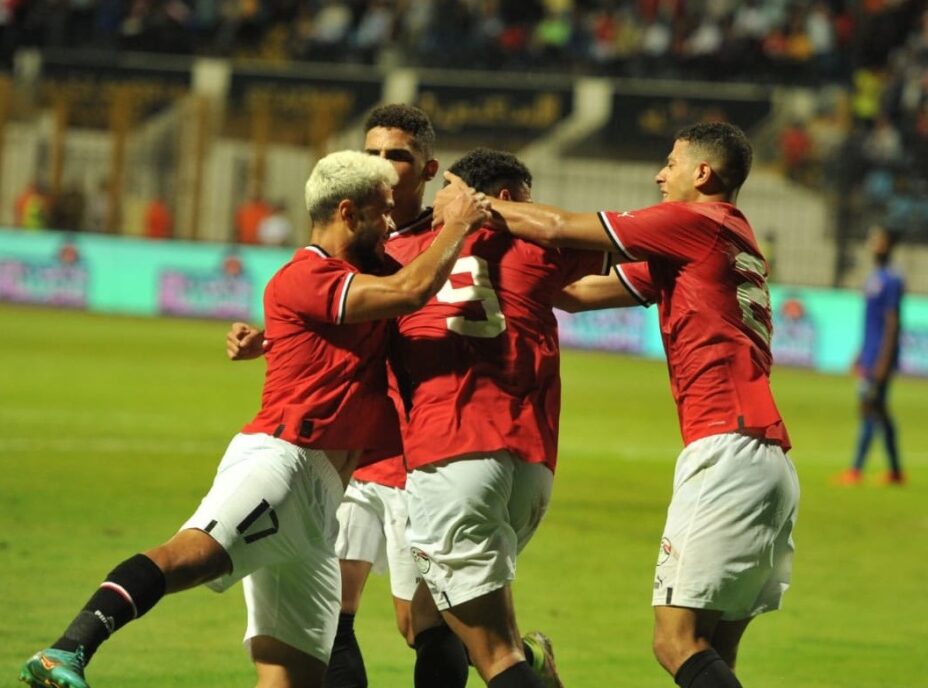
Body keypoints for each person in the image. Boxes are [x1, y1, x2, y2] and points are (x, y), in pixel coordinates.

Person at [19, 150, 491, 688]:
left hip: (322, 504)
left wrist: (270, 340)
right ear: (348, 212)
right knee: (190, 556)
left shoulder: (369, 271)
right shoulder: (306, 273)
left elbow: (398, 290)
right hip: (281, 465)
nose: (391, 222)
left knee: (292, 675)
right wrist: (459, 223)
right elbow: (411, 289)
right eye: (382, 211)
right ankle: (65, 650)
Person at [440, 122, 800, 688]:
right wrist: (503, 271)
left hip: (727, 447)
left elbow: (559, 227)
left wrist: (473, 207)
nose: (660, 175)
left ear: (703, 173)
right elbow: (574, 295)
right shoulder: (719, 239)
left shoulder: (695, 222)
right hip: (768, 461)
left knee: (675, 642)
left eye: (671, 163)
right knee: (713, 652)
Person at [228, 108, 565, 688]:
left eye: (397, 156)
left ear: (429, 170)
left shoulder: (449, 236)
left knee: (426, 626)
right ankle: (518, 660)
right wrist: (272, 339)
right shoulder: (356, 238)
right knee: (331, 609)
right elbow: (329, 308)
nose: (382, 165)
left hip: (425, 453)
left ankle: (523, 661)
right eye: (373, 153)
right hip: (356, 454)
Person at [394, 147, 608, 688]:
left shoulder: (405, 256)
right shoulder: (541, 248)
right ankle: (533, 664)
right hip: (531, 467)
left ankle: (525, 667)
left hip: (453, 455)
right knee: (428, 615)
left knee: (494, 653)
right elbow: (618, 250)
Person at [836, 225, 905, 486]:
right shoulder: (873, 277)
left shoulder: (892, 280)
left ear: (888, 245)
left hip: (880, 359)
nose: (872, 243)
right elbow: (871, 322)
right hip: (870, 355)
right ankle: (896, 471)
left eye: (878, 240)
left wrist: (883, 362)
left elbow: (892, 322)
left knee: (869, 409)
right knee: (879, 411)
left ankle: (856, 470)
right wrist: (860, 352)